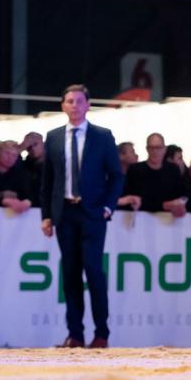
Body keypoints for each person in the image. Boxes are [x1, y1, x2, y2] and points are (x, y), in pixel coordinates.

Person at [40, 84, 123, 348]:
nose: (74, 105)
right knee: (70, 273)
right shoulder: (52, 137)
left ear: (88, 105)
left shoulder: (102, 136)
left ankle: (102, 334)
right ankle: (74, 335)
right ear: (62, 106)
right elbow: (47, 181)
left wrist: (108, 207)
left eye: (79, 101)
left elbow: (117, 176)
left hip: (93, 214)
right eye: (69, 101)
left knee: (94, 272)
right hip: (64, 214)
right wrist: (46, 216)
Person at [121, 133, 185, 214]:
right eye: (151, 148)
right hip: (141, 219)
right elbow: (131, 199)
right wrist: (164, 205)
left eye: (158, 147)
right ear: (147, 149)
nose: (155, 151)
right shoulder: (135, 170)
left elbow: (181, 194)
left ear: (164, 149)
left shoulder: (173, 169)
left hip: (168, 220)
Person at [0, 141, 34, 214]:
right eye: (7, 153)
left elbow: (31, 195)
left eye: (14, 155)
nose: (10, 157)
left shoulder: (24, 177)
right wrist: (2, 199)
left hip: (17, 219)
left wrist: (27, 202)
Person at [19, 132, 45, 206]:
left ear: (43, 144)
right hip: (27, 208)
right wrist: (21, 148)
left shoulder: (53, 163)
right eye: (29, 147)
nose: (33, 148)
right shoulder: (24, 165)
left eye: (35, 144)